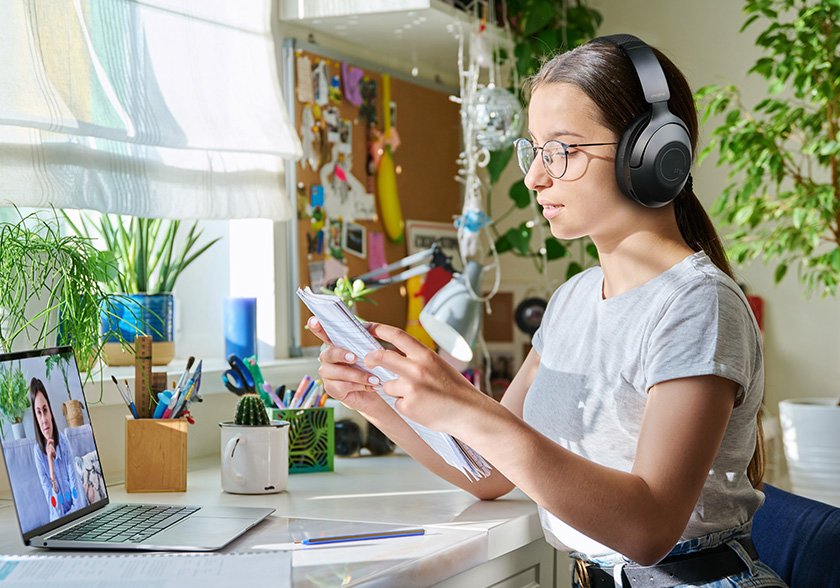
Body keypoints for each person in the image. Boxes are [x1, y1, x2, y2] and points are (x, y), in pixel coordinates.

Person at [309, 34, 785, 587]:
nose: (535, 176)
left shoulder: (698, 305)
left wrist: (467, 406)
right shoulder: (572, 299)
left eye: (562, 150)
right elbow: (488, 471)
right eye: (533, 149)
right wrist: (375, 397)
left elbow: (648, 529)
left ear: (652, 155)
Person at [30, 378, 88, 520]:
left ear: (50, 411)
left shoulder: (63, 442)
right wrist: (51, 468)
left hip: (77, 518)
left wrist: (69, 519)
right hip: (58, 525)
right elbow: (55, 511)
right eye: (39, 413)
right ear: (35, 418)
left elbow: (78, 499)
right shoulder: (38, 454)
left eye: (45, 410)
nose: (44, 419)